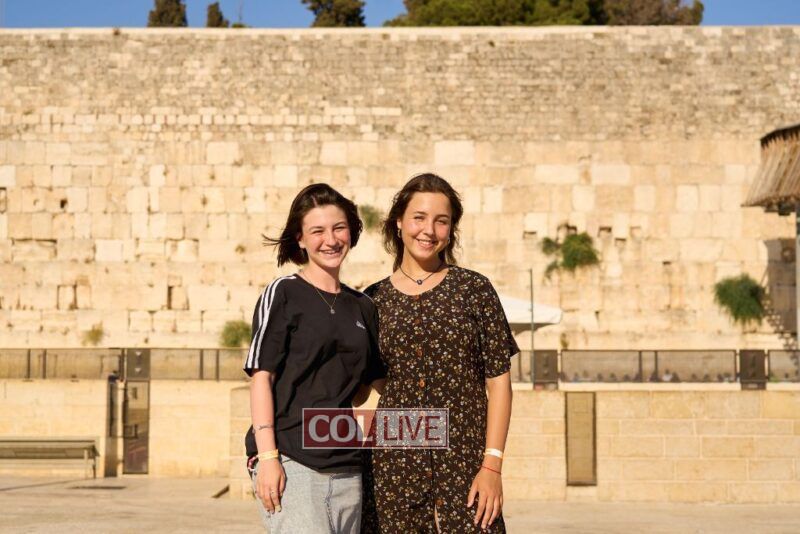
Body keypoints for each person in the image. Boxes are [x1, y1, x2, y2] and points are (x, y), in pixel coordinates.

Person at [362, 173, 519, 533]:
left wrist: (492, 465)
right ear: (398, 222)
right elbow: (378, 384)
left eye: (441, 221)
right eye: (418, 217)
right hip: (394, 473)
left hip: (468, 466)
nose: (428, 230)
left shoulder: (474, 290)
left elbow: (499, 384)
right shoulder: (372, 301)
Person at [243, 183, 385, 533]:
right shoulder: (283, 293)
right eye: (317, 231)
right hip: (292, 460)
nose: (331, 240)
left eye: (339, 228)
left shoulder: (363, 306)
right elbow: (261, 378)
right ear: (301, 239)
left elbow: (363, 390)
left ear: (351, 232)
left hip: (347, 465)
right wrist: (268, 457)